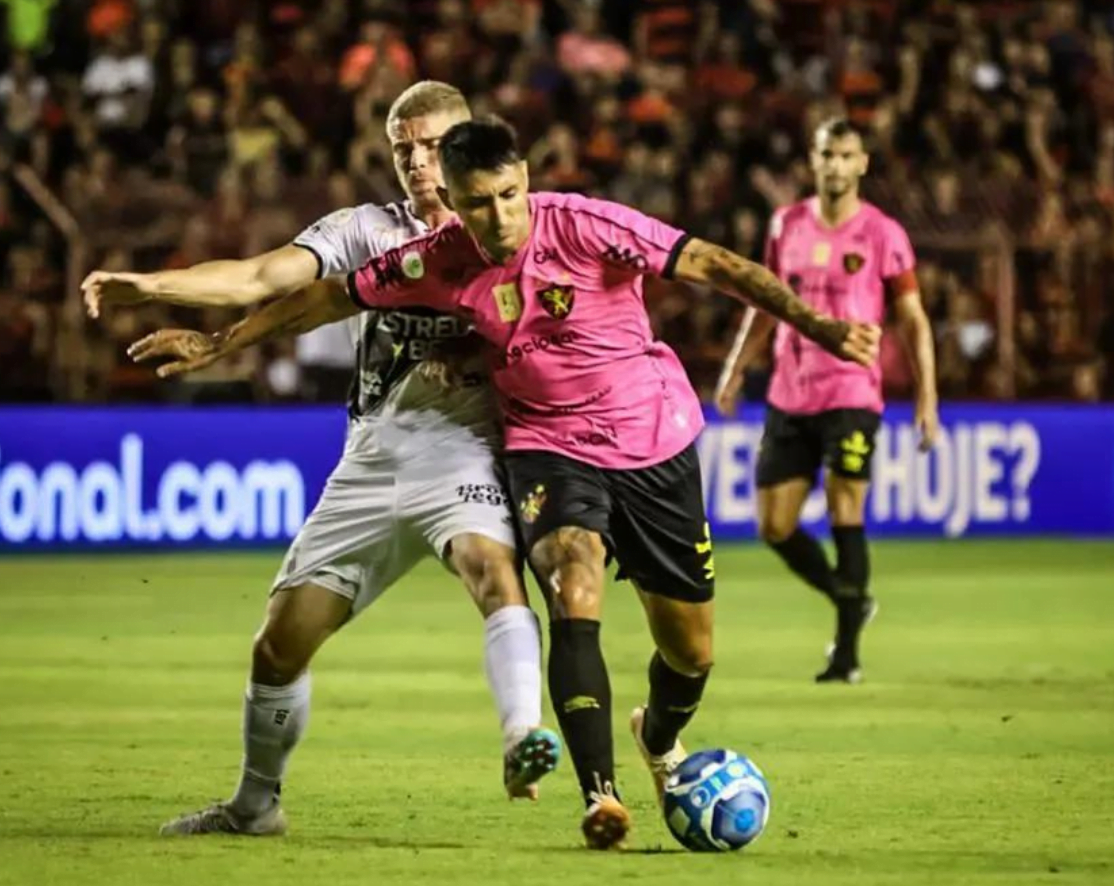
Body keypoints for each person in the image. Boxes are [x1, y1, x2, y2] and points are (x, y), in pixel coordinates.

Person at [148, 115, 879, 848]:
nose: (496, 216)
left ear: (524, 178)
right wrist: (221, 342)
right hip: (547, 447)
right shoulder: (439, 257)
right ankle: (602, 798)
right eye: (476, 202)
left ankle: (657, 736)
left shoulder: (587, 225)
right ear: (456, 202)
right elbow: (333, 296)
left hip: (654, 441)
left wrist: (816, 327)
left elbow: (717, 264)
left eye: (506, 195)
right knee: (570, 579)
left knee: (691, 652)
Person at [80, 83, 560, 837]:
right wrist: (155, 288)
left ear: (471, 146)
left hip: (462, 448)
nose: (416, 163)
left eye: (433, 146)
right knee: (279, 643)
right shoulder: (369, 230)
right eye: (403, 149)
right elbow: (263, 276)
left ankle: (522, 735)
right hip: (370, 458)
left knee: (492, 571)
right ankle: (255, 805)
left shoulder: (521, 229)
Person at [714, 117, 939, 683]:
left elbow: (912, 320)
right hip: (791, 392)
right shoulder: (785, 224)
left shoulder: (883, 234)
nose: (835, 165)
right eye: (826, 155)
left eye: (845, 155)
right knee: (775, 525)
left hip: (852, 392)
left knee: (846, 509)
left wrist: (927, 399)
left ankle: (846, 653)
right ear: (812, 162)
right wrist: (736, 368)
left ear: (863, 163)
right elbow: (764, 304)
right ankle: (850, 597)